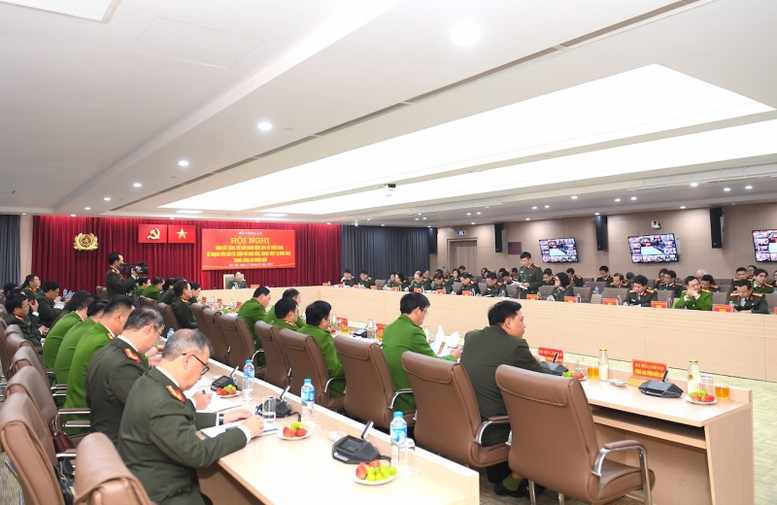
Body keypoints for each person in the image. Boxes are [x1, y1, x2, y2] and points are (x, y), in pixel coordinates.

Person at [118, 329, 264, 505]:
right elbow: (198, 454)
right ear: (187, 360)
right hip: (163, 495)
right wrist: (245, 432)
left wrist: (222, 418)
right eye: (202, 367)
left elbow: (179, 418)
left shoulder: (150, 380)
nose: (201, 376)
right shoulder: (163, 401)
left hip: (148, 481)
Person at [460, 300, 550, 498]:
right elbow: (545, 378)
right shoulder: (515, 346)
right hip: (496, 428)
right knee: (550, 419)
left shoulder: (471, 337)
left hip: (470, 424)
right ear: (508, 323)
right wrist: (543, 362)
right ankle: (516, 479)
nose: (525, 325)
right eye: (521, 320)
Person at [86, 307, 166, 445]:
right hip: (121, 444)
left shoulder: (107, 351)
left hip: (106, 435)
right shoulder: (123, 364)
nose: (155, 342)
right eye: (157, 335)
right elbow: (151, 411)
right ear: (149, 329)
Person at [382, 293, 460, 412]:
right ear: (417, 311)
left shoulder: (389, 328)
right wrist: (453, 356)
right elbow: (433, 363)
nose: (424, 317)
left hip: (391, 394)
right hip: (408, 398)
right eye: (425, 312)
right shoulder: (414, 332)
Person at [64, 296, 135, 415]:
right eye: (132, 319)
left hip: (83, 404)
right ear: (118, 317)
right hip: (85, 414)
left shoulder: (95, 332)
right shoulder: (103, 341)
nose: (133, 325)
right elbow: (121, 381)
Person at [298, 301, 346, 397]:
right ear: (323, 321)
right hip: (329, 387)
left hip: (304, 382)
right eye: (329, 317)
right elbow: (335, 370)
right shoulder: (324, 337)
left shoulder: (299, 332)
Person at [55, 299, 108, 383]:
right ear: (100, 317)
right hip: (66, 382)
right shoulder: (92, 332)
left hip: (61, 377)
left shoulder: (80, 325)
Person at [42, 292, 96, 369]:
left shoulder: (69, 316)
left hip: (52, 363)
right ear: (86, 310)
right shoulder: (75, 323)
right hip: (53, 368)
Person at [237, 286, 271, 364]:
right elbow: (267, 324)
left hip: (243, 343)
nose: (269, 302)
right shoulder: (256, 307)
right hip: (253, 342)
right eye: (268, 299)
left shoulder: (247, 303)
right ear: (262, 296)